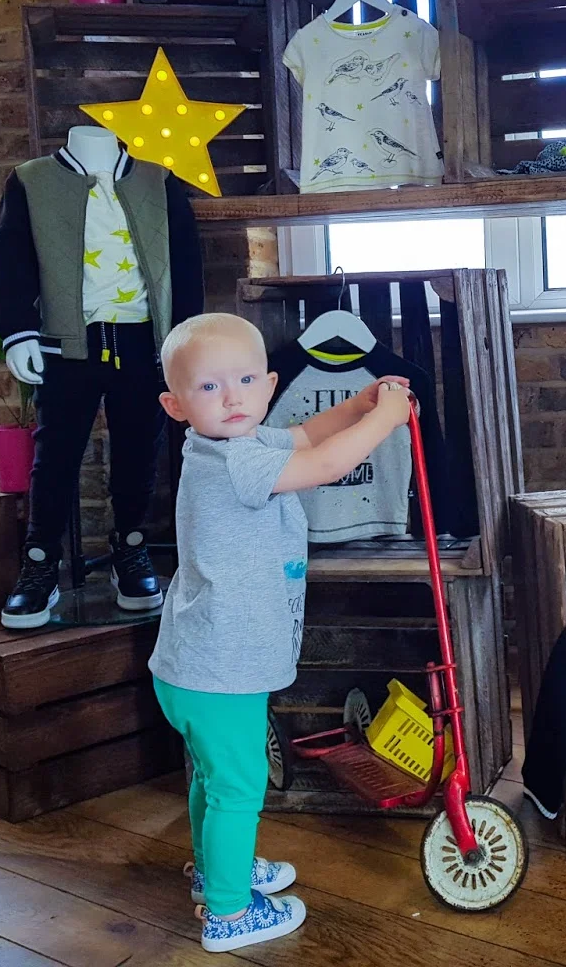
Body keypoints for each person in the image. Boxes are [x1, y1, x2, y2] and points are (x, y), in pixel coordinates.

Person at [148, 312, 412, 953]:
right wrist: (387, 421)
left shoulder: (235, 444)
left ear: (268, 386)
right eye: (209, 388)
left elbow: (305, 436)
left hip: (199, 666)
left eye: (243, 380)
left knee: (213, 779)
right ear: (175, 404)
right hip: (222, 671)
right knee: (239, 788)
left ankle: (218, 874)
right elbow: (321, 465)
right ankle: (230, 915)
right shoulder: (231, 465)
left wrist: (361, 401)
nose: (232, 397)